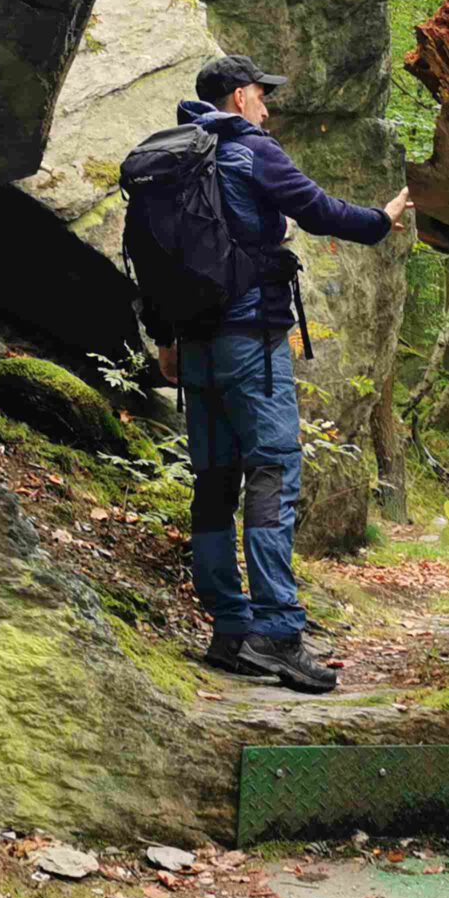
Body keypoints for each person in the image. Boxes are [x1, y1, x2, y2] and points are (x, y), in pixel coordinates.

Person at [159, 53, 409, 693]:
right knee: (271, 471)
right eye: (262, 97)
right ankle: (277, 631)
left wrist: (165, 338)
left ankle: (230, 630)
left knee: (214, 480)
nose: (267, 108)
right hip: (249, 339)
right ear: (239, 97)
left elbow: (152, 257)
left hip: (192, 347)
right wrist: (384, 218)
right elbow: (319, 210)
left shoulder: (167, 159)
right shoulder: (251, 153)